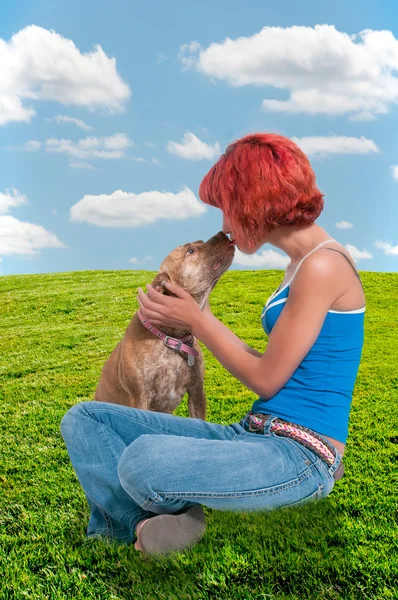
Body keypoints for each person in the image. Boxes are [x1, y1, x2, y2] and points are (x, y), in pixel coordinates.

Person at [60, 133, 365, 556]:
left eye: (227, 207)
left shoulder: (324, 266)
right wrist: (186, 322)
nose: (225, 224)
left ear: (255, 201)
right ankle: (143, 525)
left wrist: (196, 321)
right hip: (254, 434)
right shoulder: (301, 265)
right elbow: (285, 364)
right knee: (84, 419)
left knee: (142, 460)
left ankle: (137, 520)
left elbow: (268, 379)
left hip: (300, 456)